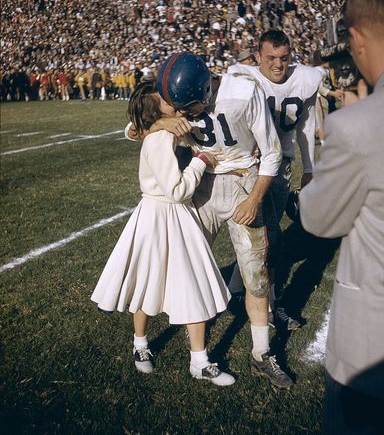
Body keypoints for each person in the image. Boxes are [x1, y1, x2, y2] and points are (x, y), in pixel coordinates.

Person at [132, 51, 294, 389]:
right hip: (201, 188)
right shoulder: (173, 95)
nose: (184, 113)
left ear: (206, 91)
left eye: (187, 107)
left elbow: (272, 151)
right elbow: (133, 127)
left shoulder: (242, 92)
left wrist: (254, 198)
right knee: (186, 269)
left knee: (256, 273)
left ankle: (261, 353)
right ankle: (192, 351)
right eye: (177, 107)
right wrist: (160, 123)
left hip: (242, 184)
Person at [299, 0, 384, 435]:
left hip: (372, 351)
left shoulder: (357, 126)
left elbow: (319, 221)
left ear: (358, 37)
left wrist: (338, 130)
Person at [92, 80, 235, 387]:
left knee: (193, 282)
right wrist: (200, 161)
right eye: (165, 100)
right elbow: (176, 190)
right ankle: (140, 344)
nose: (173, 101)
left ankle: (200, 360)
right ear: (156, 108)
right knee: (147, 282)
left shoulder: (171, 125)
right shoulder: (156, 137)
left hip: (177, 216)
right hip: (160, 214)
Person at [227, 29, 323, 331]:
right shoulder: (242, 77)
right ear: (258, 57)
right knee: (269, 240)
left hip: (281, 168)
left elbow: (305, 126)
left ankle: (233, 292)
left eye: (284, 58)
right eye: (271, 58)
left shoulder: (305, 79)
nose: (278, 65)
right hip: (252, 167)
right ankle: (270, 308)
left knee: (263, 238)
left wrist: (309, 168)